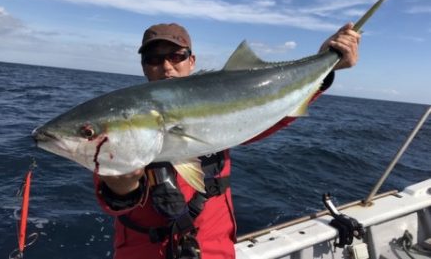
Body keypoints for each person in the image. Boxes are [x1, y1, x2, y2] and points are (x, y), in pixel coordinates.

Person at [94, 22, 361, 259]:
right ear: (144, 66)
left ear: (192, 60)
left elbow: (268, 115)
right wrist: (121, 188)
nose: (166, 66)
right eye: (154, 58)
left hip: (214, 249)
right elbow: (111, 198)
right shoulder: (120, 113)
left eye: (177, 56)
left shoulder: (220, 101)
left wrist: (326, 66)